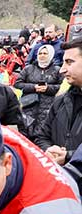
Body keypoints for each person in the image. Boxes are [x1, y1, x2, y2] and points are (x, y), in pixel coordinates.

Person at [33, 38, 82, 166]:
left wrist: (68, 156)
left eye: (69, 62)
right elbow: (42, 136)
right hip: (62, 179)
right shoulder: (61, 101)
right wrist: (49, 151)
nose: (62, 70)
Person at [14, 44, 62, 139]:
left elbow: (62, 86)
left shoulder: (57, 70)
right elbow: (18, 84)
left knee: (42, 138)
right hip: (28, 107)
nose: (42, 55)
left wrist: (48, 89)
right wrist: (33, 87)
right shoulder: (28, 68)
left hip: (47, 109)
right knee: (25, 136)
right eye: (40, 53)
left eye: (45, 53)